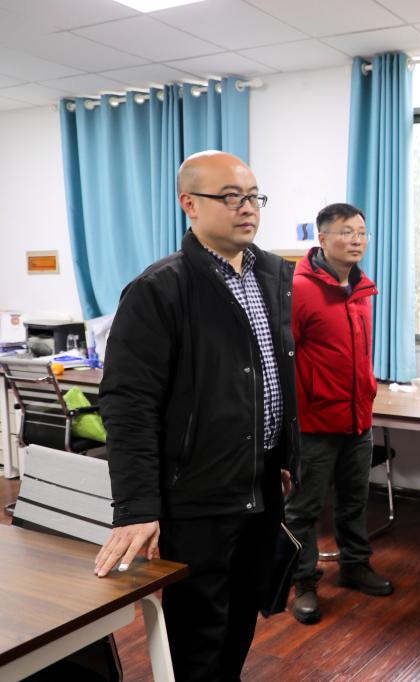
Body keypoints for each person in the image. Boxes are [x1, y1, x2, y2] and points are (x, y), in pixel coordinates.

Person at [94, 150, 300, 681]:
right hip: (197, 495)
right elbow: (128, 402)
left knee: (242, 619)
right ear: (189, 204)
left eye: (253, 196)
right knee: (198, 638)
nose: (247, 208)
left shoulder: (271, 275)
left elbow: (268, 373)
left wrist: (279, 455)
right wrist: (137, 507)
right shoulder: (160, 288)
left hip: (259, 486)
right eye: (231, 197)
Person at [285, 202, 392, 626]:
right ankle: (303, 581)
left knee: (354, 500)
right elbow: (283, 356)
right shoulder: (299, 288)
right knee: (303, 509)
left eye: (361, 232)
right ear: (323, 238)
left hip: (357, 419)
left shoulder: (363, 288)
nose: (356, 240)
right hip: (314, 423)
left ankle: (354, 565)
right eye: (346, 232)